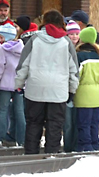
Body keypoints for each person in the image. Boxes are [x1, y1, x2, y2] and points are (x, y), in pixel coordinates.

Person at [15, 9, 80, 155]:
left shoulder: (34, 39)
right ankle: (52, 154)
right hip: (58, 91)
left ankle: (31, 154)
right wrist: (72, 89)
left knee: (33, 124)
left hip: (35, 90)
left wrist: (18, 84)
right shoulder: (66, 42)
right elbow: (73, 70)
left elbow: (23, 65)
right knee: (55, 125)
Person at [0, 24, 25, 147]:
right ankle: (21, 139)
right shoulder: (23, 48)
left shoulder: (3, 49)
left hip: (5, 84)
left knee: (3, 111)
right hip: (20, 84)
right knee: (20, 111)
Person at [75, 26, 99, 151]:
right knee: (94, 123)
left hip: (83, 94)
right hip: (97, 95)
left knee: (83, 123)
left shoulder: (80, 56)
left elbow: (77, 76)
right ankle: (94, 144)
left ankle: (85, 146)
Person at [63, 20, 81, 151]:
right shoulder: (64, 48)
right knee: (67, 120)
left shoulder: (82, 50)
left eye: (76, 34)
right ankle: (68, 146)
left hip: (79, 89)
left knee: (76, 119)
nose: (74, 36)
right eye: (71, 34)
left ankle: (74, 144)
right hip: (66, 88)